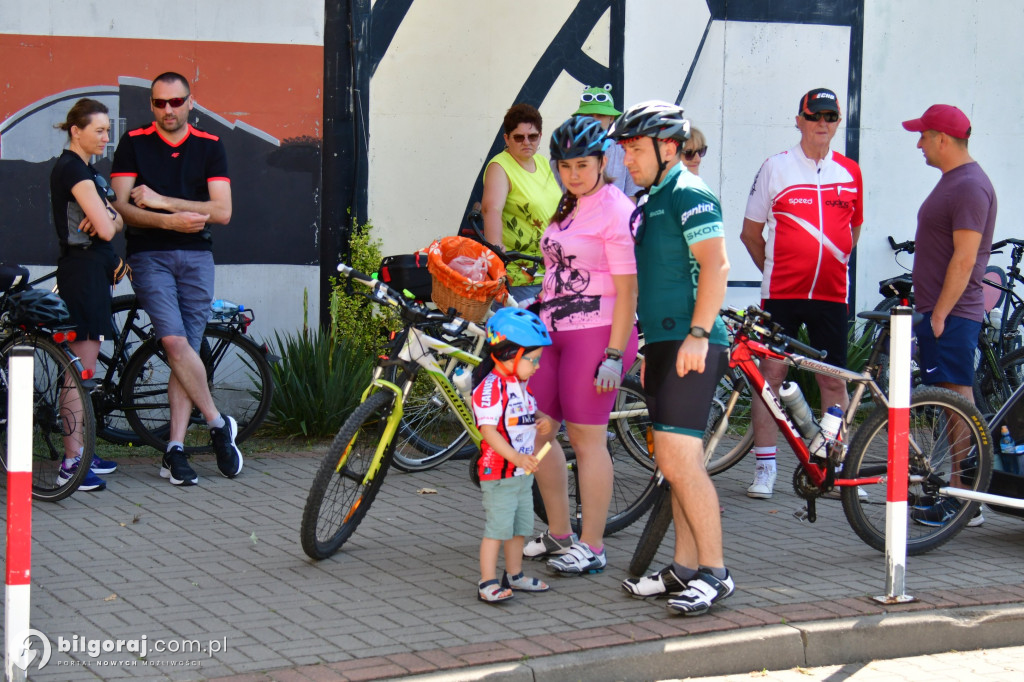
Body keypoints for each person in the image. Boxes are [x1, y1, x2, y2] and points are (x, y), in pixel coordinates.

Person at [608, 101, 734, 616]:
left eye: (635, 149)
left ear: (667, 147)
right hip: (663, 345)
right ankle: (684, 567)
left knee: (683, 463)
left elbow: (717, 265)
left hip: (693, 343)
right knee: (671, 465)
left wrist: (700, 334)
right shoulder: (654, 196)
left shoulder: (690, 192)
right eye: (624, 149)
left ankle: (716, 573)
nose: (627, 159)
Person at [110, 71, 242, 486]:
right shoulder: (133, 143)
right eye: (159, 102)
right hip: (148, 255)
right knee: (173, 342)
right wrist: (172, 223)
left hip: (197, 257)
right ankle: (219, 424)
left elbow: (221, 212)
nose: (167, 109)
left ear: (190, 102)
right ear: (151, 104)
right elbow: (121, 209)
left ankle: (175, 449)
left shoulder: (210, 146)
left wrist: (162, 201)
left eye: (175, 101)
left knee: (185, 349)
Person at [523, 116, 639, 575]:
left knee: (587, 439)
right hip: (551, 331)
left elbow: (628, 290)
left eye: (583, 164)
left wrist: (614, 355)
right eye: (565, 165)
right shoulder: (567, 206)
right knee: (536, 431)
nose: (573, 173)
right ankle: (558, 533)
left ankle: (593, 546)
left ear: (603, 161)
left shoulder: (616, 208)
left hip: (600, 331)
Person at [739, 88, 863, 499]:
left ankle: (832, 466)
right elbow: (750, 233)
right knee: (770, 378)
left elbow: (853, 233)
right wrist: (775, 271)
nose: (822, 123)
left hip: (831, 295)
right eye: (814, 116)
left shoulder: (851, 172)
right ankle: (765, 467)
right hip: (783, 294)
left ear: (837, 122)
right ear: (799, 120)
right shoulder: (775, 167)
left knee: (833, 383)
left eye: (830, 116)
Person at [902, 105, 996, 527]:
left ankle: (966, 502)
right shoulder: (954, 182)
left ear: (942, 138)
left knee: (958, 404)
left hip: (953, 314)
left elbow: (965, 257)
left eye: (923, 135)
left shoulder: (970, 186)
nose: (918, 143)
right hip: (942, 313)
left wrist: (939, 313)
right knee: (949, 403)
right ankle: (960, 494)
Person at [50, 98, 125, 492]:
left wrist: (108, 215)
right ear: (75, 130)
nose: (105, 137)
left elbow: (116, 217)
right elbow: (110, 228)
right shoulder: (72, 169)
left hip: (92, 272)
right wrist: (108, 219)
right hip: (81, 271)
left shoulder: (87, 170)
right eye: (99, 130)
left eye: (107, 130)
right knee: (79, 371)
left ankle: (81, 450)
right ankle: (71, 463)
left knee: (84, 369)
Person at [471, 307, 553, 603]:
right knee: (497, 529)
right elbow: (488, 431)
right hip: (500, 474)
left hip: (520, 474)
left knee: (520, 527)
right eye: (533, 360)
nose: (537, 366)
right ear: (511, 355)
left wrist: (540, 417)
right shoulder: (491, 389)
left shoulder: (519, 386)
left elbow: (526, 413)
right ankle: (487, 582)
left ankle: (515, 575)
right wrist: (516, 458)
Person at [480, 103, 562, 297]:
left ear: (540, 136)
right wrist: (497, 255)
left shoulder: (543, 162)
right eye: (519, 137)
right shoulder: (500, 167)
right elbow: (491, 210)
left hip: (553, 271)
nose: (527, 142)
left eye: (532, 136)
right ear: (507, 139)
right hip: (520, 275)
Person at [567, 85, 641, 198]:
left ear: (611, 118)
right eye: (589, 115)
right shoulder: (567, 153)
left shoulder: (625, 152)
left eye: (600, 115)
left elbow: (632, 197)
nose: (594, 120)